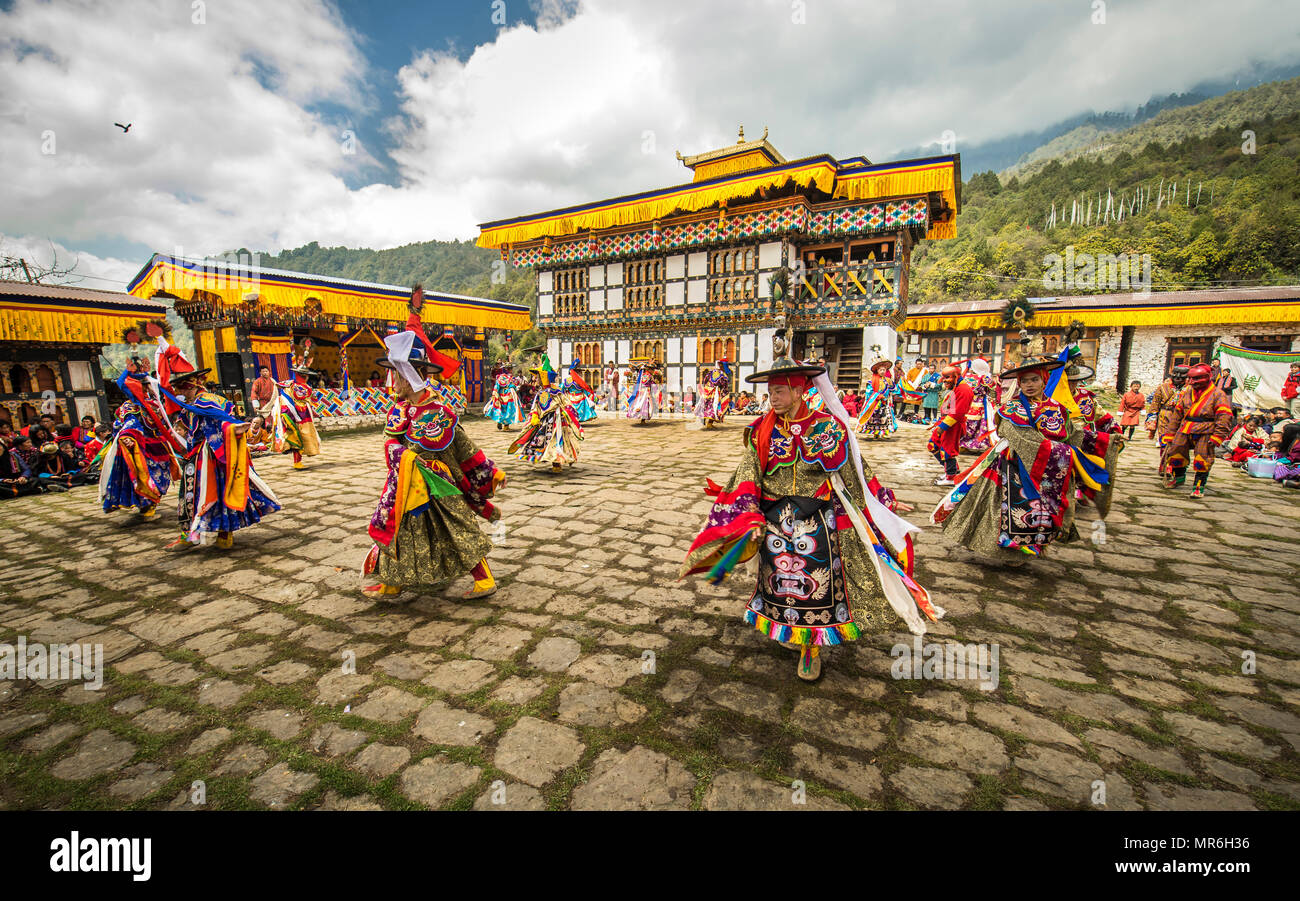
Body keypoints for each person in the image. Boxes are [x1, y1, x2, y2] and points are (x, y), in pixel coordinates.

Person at [680, 344, 939, 683]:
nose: (773, 397)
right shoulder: (762, 429)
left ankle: (811, 647)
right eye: (770, 391)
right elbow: (747, 473)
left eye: (780, 390)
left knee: (816, 587)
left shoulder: (829, 428)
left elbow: (854, 472)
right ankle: (791, 630)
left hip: (817, 524)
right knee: (779, 586)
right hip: (774, 523)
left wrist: (882, 500)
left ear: (800, 390)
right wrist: (750, 515)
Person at [363, 331, 506, 600]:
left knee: (457, 529)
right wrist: (403, 455)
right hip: (407, 483)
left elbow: (463, 447)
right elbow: (390, 441)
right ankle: (392, 582)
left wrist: (491, 471)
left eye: (396, 374)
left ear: (409, 375)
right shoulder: (399, 410)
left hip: (439, 484)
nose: (391, 381)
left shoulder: (440, 413)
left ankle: (485, 580)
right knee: (401, 529)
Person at [932, 357, 1082, 560]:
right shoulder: (1012, 409)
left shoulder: (1058, 409)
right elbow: (1018, 435)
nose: (1029, 385)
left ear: (1044, 380)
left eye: (1034, 380)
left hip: (1048, 469)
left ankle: (1034, 546)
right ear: (1019, 384)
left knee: (1039, 510)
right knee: (1008, 509)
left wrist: (1107, 440)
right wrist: (1056, 452)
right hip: (1014, 467)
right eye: (1025, 381)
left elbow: (1072, 435)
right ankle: (1004, 549)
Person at [167, 363, 280, 550]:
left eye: (183, 387)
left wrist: (234, 428)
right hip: (195, 456)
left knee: (220, 493)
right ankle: (190, 534)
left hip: (213, 455)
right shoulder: (191, 404)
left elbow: (224, 422)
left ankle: (224, 533)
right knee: (189, 495)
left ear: (193, 384)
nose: (181, 391)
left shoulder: (208, 401)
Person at [100, 371, 184, 519]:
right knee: (144, 476)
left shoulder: (154, 404)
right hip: (140, 448)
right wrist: (127, 436)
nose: (150, 388)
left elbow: (163, 424)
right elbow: (126, 425)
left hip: (159, 447)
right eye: (147, 386)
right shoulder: (129, 407)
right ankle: (147, 505)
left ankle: (150, 504)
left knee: (160, 478)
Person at [1160, 363, 1233, 498]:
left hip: (1206, 429)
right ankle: (1179, 477)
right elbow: (1177, 414)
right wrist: (1170, 434)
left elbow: (1224, 416)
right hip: (1186, 427)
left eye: (1197, 379)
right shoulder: (1187, 393)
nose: (1192, 382)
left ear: (1207, 377)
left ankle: (1198, 485)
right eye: (1191, 379)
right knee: (1176, 450)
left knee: (1202, 457)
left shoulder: (1218, 394)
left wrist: (1218, 436)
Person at [510, 360, 584, 472]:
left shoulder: (553, 392)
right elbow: (536, 408)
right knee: (550, 442)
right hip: (546, 421)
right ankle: (555, 461)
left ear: (544, 377)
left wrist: (565, 413)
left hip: (557, 420)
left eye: (538, 377)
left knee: (555, 441)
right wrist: (535, 416)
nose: (536, 379)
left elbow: (566, 404)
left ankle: (556, 463)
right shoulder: (547, 392)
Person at [928, 365, 970, 485]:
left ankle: (951, 477)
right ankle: (951, 471)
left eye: (947, 378)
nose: (945, 381)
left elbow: (958, 413)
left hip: (952, 425)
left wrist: (943, 427)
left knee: (948, 450)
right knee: (933, 445)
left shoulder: (964, 390)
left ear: (955, 377)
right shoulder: (957, 387)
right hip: (946, 422)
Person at [958, 358, 996, 454]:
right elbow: (993, 386)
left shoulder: (967, 377)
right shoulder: (984, 378)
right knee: (980, 424)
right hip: (980, 403)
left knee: (967, 423)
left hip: (968, 402)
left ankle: (963, 443)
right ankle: (977, 444)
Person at [857, 358, 897, 440]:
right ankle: (875, 433)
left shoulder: (888, 380)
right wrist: (878, 396)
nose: (882, 371)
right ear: (877, 371)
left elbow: (894, 389)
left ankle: (885, 432)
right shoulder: (871, 381)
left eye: (884, 370)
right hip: (875, 403)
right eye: (881, 370)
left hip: (885, 402)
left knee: (885, 417)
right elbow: (869, 392)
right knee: (875, 419)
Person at [484, 365, 526, 431]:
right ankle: (506, 426)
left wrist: (495, 394)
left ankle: (499, 421)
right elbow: (515, 385)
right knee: (509, 411)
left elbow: (497, 386)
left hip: (501, 395)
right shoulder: (512, 378)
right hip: (509, 396)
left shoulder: (500, 378)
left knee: (502, 410)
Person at [694, 359, 731, 428]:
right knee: (714, 406)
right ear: (721, 365)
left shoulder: (711, 372)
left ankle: (704, 421)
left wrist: (707, 387)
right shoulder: (722, 375)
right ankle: (709, 423)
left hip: (707, 390)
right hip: (715, 392)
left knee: (705, 405)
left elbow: (705, 380)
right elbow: (724, 384)